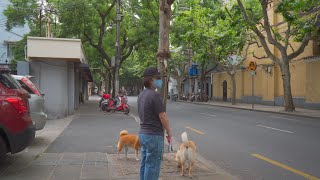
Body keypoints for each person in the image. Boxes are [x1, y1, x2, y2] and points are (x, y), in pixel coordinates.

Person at [138, 67, 172, 180]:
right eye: (157, 78)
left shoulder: (141, 95)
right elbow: (162, 116)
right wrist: (169, 131)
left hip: (143, 134)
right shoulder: (155, 95)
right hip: (154, 135)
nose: (160, 80)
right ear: (151, 80)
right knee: (152, 165)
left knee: (144, 163)